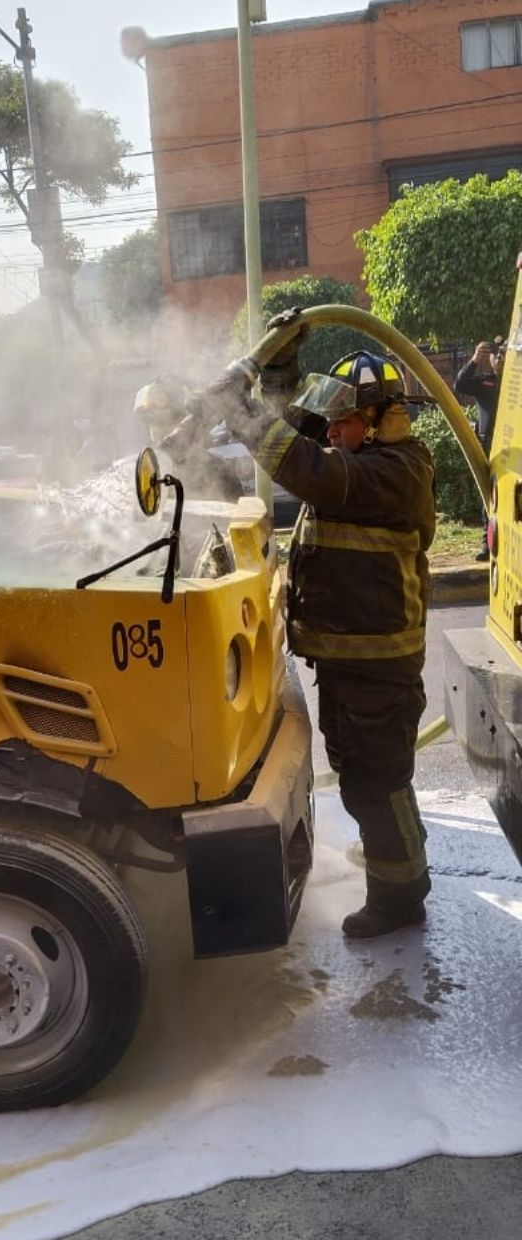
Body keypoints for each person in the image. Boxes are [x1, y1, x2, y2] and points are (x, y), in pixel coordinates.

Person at [195, 321, 436, 939]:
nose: (331, 432)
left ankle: (400, 894)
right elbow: (301, 432)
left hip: (377, 666)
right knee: (370, 775)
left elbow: (304, 466)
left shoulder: (396, 470)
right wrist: (276, 371)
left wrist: (238, 410)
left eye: (344, 422)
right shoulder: (359, 450)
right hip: (352, 661)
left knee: (376, 780)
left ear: (382, 419)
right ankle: (398, 860)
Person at [454, 342, 501, 560]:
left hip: (512, 446)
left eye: (503, 355)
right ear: (490, 359)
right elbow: (460, 385)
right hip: (489, 445)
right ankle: (487, 544)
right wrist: (474, 361)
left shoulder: (515, 383)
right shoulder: (485, 381)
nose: (499, 360)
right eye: (496, 356)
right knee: (488, 494)